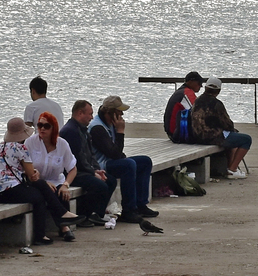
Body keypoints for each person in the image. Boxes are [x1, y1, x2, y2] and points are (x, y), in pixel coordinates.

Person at [0, 116, 65, 251]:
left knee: (39, 187)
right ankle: (41, 235)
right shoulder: (21, 148)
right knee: (38, 197)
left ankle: (62, 214)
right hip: (10, 190)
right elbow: (32, 176)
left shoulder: (0, 147)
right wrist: (35, 172)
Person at [85, 95, 159, 224]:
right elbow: (114, 153)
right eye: (119, 111)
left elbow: (118, 153)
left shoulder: (109, 124)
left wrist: (117, 131)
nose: (122, 114)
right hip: (100, 166)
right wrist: (120, 131)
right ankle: (129, 210)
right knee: (128, 165)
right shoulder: (97, 128)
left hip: (111, 161)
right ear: (110, 113)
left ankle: (141, 204)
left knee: (145, 161)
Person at [24, 111, 79, 241]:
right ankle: (64, 226)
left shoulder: (62, 144)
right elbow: (25, 167)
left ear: (53, 128)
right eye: (39, 125)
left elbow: (72, 169)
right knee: (49, 190)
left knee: (62, 191)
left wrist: (66, 184)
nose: (42, 129)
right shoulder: (30, 142)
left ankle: (64, 225)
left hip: (56, 179)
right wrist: (42, 181)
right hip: (36, 181)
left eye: (46, 126)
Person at [60, 99, 115, 224]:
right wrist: (93, 173)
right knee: (99, 185)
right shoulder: (71, 131)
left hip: (84, 169)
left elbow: (90, 155)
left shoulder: (83, 129)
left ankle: (97, 213)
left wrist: (97, 170)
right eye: (89, 114)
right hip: (73, 172)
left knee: (109, 180)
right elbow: (78, 160)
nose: (91, 117)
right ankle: (83, 215)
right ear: (80, 113)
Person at [192, 78, 253, 179]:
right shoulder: (217, 104)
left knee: (233, 137)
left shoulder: (197, 101)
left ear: (206, 88)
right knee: (246, 139)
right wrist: (232, 129)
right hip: (213, 137)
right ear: (218, 91)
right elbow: (227, 124)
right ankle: (232, 169)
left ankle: (230, 167)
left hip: (197, 136)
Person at [163, 70, 203, 142]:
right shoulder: (186, 93)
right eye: (199, 83)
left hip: (173, 133)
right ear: (190, 81)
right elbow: (198, 111)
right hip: (177, 134)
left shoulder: (180, 92)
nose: (200, 86)